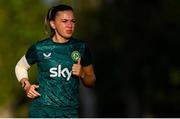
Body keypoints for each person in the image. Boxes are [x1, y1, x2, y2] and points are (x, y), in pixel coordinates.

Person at [15, 4, 96, 118]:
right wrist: (26, 85)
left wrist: (82, 74)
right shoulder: (40, 48)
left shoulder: (81, 47)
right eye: (64, 21)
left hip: (69, 112)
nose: (70, 25)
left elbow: (91, 80)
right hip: (42, 110)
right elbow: (20, 67)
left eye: (73, 21)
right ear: (53, 24)